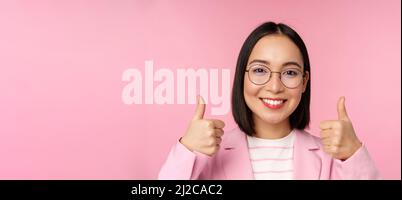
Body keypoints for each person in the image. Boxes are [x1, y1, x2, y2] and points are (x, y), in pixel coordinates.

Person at [158, 21, 380, 180]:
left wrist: (354, 153)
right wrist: (187, 150)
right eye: (260, 70)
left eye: (290, 73)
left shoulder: (332, 157)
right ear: (241, 77)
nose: (274, 87)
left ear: (304, 82)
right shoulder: (207, 154)